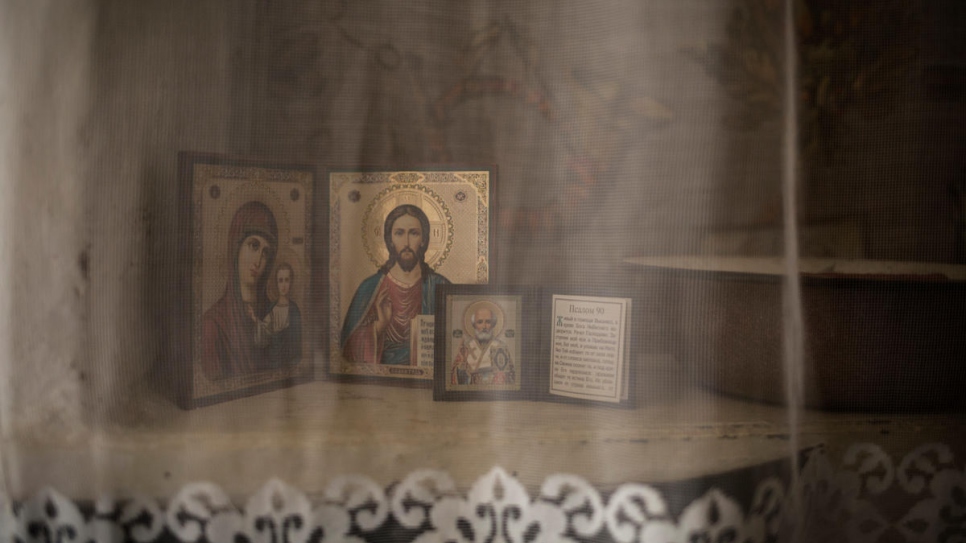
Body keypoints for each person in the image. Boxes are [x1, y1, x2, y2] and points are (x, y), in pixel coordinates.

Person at [340, 204, 450, 365]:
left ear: (423, 240)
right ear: (390, 240)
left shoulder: (440, 287)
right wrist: (378, 326)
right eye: (399, 233)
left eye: (414, 233)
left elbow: (455, 338)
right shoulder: (370, 288)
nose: (406, 242)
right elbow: (346, 348)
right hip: (381, 383)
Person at [201, 201, 278, 380]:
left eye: (266, 253)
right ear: (236, 248)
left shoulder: (272, 315)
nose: (259, 260)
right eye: (253, 246)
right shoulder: (213, 324)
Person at [451, 305, 515, 385]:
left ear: (493, 324)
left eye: (488, 322)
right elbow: (455, 380)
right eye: (480, 322)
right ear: (474, 325)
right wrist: (462, 364)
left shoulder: (501, 347)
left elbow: (510, 377)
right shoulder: (466, 348)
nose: (484, 326)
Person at [255, 262, 302, 369]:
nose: (284, 285)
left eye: (287, 280)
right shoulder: (272, 308)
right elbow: (264, 334)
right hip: (272, 361)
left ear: (291, 282)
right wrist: (255, 320)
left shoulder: (294, 310)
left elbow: (296, 343)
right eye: (280, 281)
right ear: (276, 283)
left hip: (289, 363)